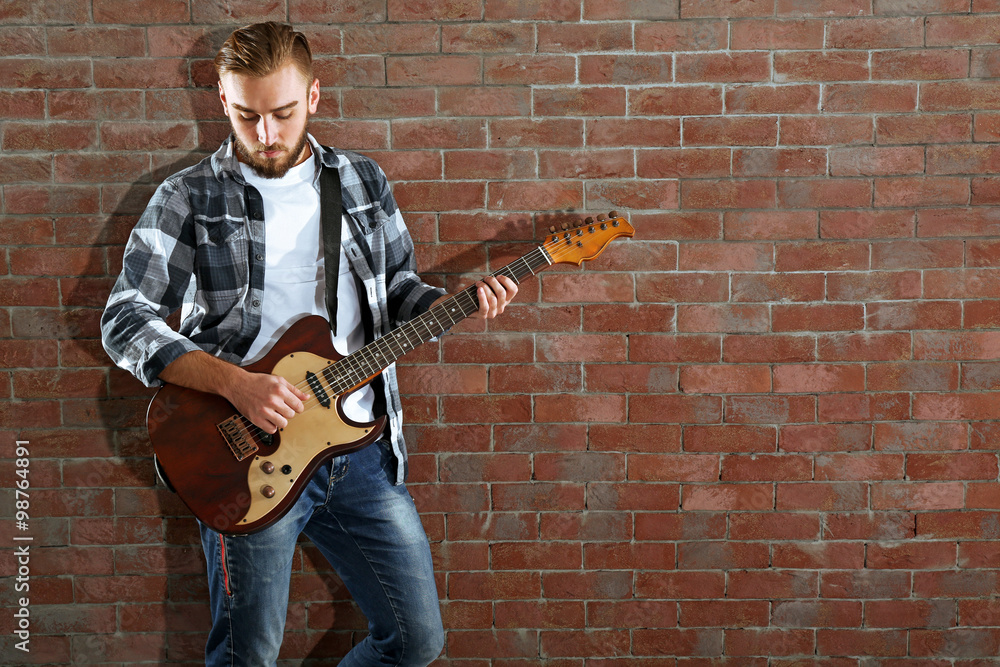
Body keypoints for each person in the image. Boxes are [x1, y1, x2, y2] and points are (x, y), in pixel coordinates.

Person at [101, 21, 516, 666]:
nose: (266, 135)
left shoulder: (362, 183)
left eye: (283, 113)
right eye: (247, 116)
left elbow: (396, 289)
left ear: (315, 97)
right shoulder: (187, 198)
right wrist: (238, 385)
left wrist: (450, 306)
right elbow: (123, 319)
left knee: (416, 641)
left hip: (357, 452)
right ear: (222, 103)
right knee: (248, 657)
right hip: (246, 460)